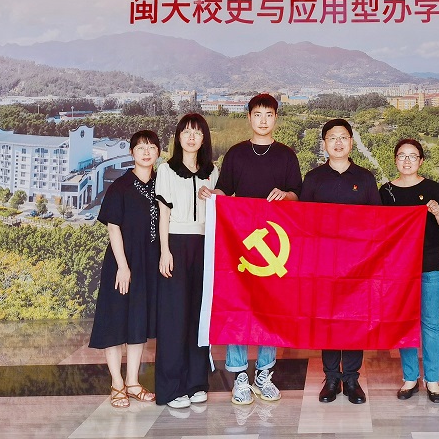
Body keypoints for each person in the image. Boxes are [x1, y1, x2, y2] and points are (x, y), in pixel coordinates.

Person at [199, 93, 302, 405]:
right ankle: (240, 376)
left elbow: (298, 195)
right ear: (249, 117)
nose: (263, 120)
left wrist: (286, 195)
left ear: (276, 118)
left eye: (269, 114)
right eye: (258, 114)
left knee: (271, 309)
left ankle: (264, 374)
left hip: (277, 245)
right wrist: (211, 194)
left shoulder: (286, 155)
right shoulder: (236, 154)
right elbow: (225, 191)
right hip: (240, 245)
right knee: (239, 307)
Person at [300, 118, 381, 405]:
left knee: (354, 319)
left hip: (358, 264)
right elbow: (302, 221)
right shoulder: (313, 178)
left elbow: (378, 220)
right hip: (324, 263)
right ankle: (332, 377)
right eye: (332, 137)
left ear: (351, 142)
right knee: (329, 319)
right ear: (324, 143)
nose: (338, 142)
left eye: (343, 137)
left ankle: (352, 379)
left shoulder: (365, 178)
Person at [88, 130, 162, 408]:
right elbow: (113, 227)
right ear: (131, 153)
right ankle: (117, 383)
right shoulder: (120, 186)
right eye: (141, 147)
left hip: (148, 264)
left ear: (158, 152)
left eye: (151, 147)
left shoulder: (161, 184)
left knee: (137, 323)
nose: (146, 152)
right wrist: (122, 266)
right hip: (122, 264)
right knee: (115, 321)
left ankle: (132, 382)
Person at [379, 138, 439, 403]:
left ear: (421, 161)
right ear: (395, 160)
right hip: (398, 268)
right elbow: (379, 229)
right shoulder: (386, 191)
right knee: (404, 322)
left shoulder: (433, 188)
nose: (407, 160)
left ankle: (432, 380)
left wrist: (437, 212)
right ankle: (410, 377)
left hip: (429, 264)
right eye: (402, 155)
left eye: (412, 156)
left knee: (430, 323)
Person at [154, 113, 216, 408]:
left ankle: (196, 382)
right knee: (174, 316)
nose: (192, 137)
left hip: (204, 245)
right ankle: (172, 387)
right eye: (186, 132)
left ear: (204, 138)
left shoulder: (212, 171)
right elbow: (163, 214)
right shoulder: (166, 170)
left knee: (199, 315)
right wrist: (165, 251)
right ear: (178, 137)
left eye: (197, 132)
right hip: (176, 244)